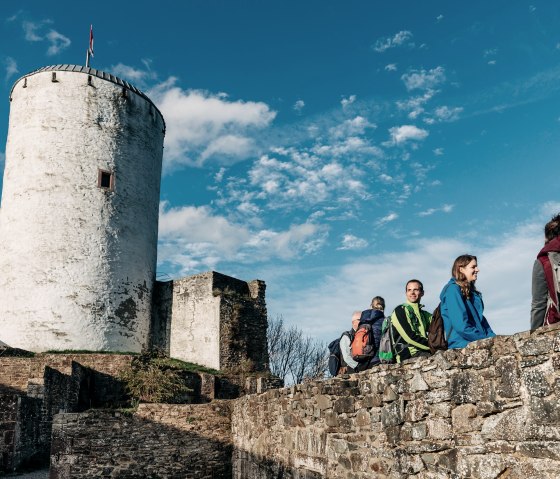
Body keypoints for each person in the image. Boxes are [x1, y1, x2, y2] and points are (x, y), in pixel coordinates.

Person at [440, 255, 495, 349]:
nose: (477, 270)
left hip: (476, 343)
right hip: (462, 345)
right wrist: (484, 340)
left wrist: (494, 340)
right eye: (473, 267)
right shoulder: (453, 290)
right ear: (461, 269)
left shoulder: (472, 293)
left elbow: (481, 321)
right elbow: (461, 325)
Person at [387, 280, 432, 362]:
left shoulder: (424, 314)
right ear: (406, 293)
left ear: (422, 293)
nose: (412, 293)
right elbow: (410, 337)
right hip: (408, 355)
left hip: (423, 351)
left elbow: (440, 323)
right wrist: (433, 345)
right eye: (409, 290)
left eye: (415, 290)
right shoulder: (400, 310)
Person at [531, 213, 560, 329]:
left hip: (555, 324)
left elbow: (538, 304)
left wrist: (533, 335)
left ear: (547, 237)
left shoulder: (543, 260)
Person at [356, 296, 386, 368]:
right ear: (383, 308)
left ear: (370, 306)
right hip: (377, 359)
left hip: (362, 359)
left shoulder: (363, 321)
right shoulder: (384, 321)